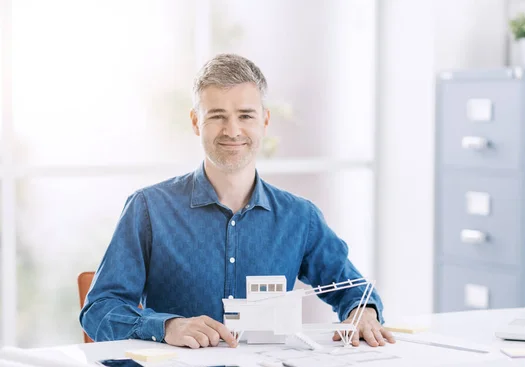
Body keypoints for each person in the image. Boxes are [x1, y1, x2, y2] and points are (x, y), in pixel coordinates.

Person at [80, 53, 395, 349]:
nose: (232, 131)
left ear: (265, 121)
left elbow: (354, 290)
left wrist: (363, 311)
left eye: (245, 115)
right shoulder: (148, 209)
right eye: (217, 116)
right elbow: (99, 310)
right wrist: (166, 327)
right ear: (195, 121)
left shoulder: (300, 217)